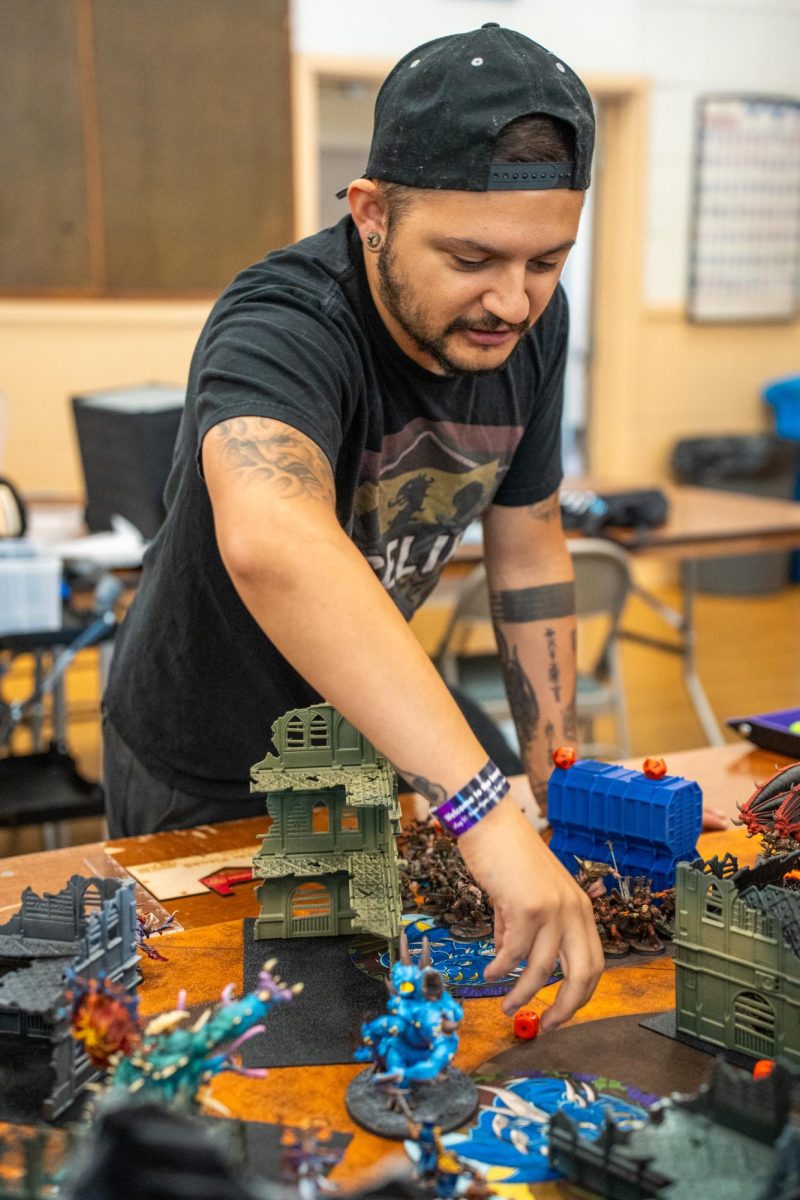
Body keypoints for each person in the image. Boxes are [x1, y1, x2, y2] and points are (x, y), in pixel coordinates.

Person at [103, 23, 605, 1022]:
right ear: (370, 213)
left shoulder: (527, 324)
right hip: (208, 752)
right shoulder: (283, 320)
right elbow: (271, 539)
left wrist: (555, 778)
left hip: (375, 726)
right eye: (469, 258)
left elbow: (529, 539)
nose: (510, 300)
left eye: (547, 261)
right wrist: (478, 811)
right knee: (245, 1038)